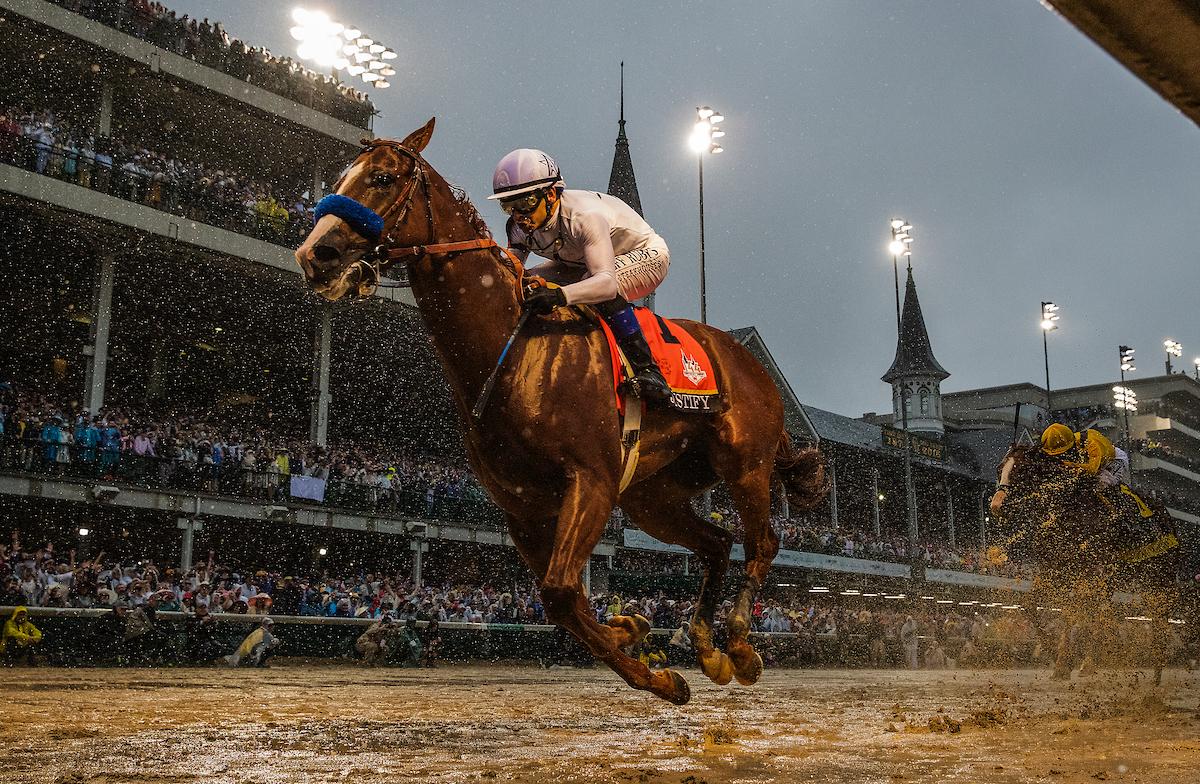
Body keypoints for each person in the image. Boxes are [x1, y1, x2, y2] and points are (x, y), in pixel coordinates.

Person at [488, 149, 671, 401]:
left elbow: (605, 284)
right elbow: (511, 273)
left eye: (525, 203)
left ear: (550, 194)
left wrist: (559, 296)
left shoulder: (584, 217)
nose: (519, 216)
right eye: (508, 206)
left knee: (592, 286)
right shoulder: (517, 229)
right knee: (527, 281)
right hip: (583, 260)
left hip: (646, 254)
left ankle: (648, 370)